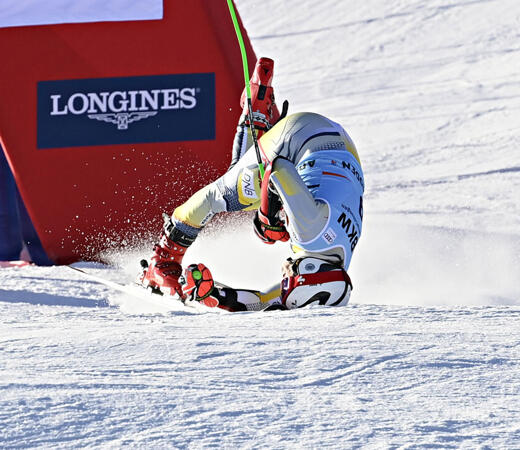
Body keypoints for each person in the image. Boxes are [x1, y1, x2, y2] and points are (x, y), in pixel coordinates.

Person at [138, 57, 364, 311]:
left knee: (251, 182)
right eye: (289, 280)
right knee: (228, 195)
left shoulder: (335, 259)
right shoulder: (311, 235)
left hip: (337, 143)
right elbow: (278, 169)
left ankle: (258, 115)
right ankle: (164, 259)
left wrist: (214, 297)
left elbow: (265, 302)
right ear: (308, 271)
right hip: (301, 139)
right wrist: (268, 220)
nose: (284, 276)